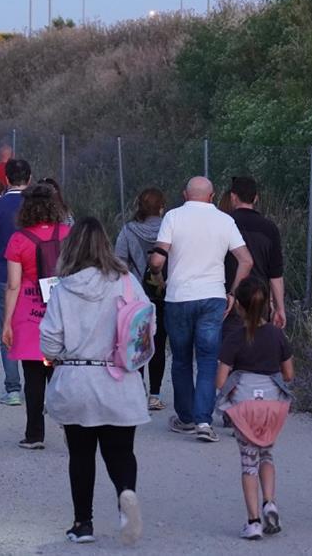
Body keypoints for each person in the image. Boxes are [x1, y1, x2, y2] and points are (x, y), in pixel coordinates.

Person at [40, 217, 147, 546]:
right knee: (121, 452)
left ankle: (82, 524)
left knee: (81, 454)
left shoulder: (64, 287)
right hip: (119, 380)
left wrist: (58, 355)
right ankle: (126, 494)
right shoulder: (128, 283)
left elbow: (49, 341)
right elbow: (144, 327)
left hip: (77, 378)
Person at [148, 176, 254, 443]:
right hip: (212, 297)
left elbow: (158, 261)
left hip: (179, 297)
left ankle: (185, 418)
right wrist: (233, 292)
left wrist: (158, 276)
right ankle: (204, 421)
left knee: (182, 359)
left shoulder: (172, 217)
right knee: (208, 361)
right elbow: (246, 260)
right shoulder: (225, 220)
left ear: (185, 194)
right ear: (212, 195)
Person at [215, 276, 295, 540]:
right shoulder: (276, 335)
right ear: (267, 306)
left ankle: (253, 522)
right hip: (272, 407)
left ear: (238, 306)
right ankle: (270, 501)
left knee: (248, 463)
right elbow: (289, 374)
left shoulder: (234, 338)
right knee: (267, 456)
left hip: (244, 409)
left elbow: (221, 380)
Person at [2, 184, 71, 449]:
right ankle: (71, 428)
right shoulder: (68, 234)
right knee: (62, 375)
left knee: (32, 378)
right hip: (62, 311)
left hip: (29, 314)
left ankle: (34, 435)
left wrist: (7, 322)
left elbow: (13, 284)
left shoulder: (19, 240)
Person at [0, 158, 31, 407]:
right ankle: (38, 386)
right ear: (30, 179)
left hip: (4, 274)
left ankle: (13, 388)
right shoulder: (38, 205)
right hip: (36, 277)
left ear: (7, 180)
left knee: (7, 329)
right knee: (37, 328)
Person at [115, 188, 169, 411]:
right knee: (159, 343)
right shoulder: (170, 228)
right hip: (165, 293)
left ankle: (138, 388)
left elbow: (119, 261)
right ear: (161, 207)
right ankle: (155, 394)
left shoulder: (128, 230)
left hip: (136, 295)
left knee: (137, 341)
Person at [223, 176, 287, 328]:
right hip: (259, 301)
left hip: (231, 301)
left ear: (233, 197)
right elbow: (275, 275)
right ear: (256, 198)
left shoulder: (224, 223)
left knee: (231, 346)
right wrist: (280, 308)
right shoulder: (269, 228)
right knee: (259, 347)